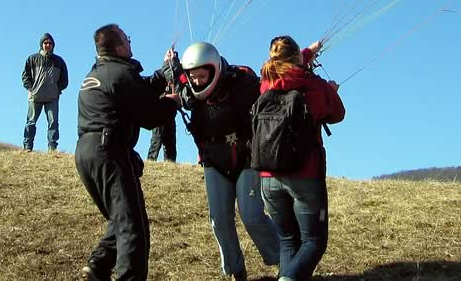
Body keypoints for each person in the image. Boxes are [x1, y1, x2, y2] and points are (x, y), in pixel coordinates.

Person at [166, 41, 279, 281]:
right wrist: (172, 64)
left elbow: (268, 93)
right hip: (214, 160)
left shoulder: (242, 81)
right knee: (219, 219)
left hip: (246, 157)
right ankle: (236, 270)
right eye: (193, 77)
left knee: (252, 215)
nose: (198, 81)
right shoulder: (189, 89)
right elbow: (178, 81)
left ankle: (285, 259)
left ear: (215, 69)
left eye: (202, 76)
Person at [75, 24, 181, 281]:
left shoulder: (99, 73)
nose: (130, 42)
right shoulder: (121, 74)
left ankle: (99, 265)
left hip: (86, 154)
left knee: (121, 217)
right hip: (109, 152)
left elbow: (137, 89)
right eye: (126, 38)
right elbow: (150, 115)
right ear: (119, 47)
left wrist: (164, 72)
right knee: (132, 227)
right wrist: (172, 103)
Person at [257, 36, 345, 281]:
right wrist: (331, 92)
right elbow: (337, 114)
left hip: (268, 175)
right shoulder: (314, 85)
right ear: (296, 57)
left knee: (288, 240)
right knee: (314, 241)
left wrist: (309, 51)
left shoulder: (266, 82)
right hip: (305, 174)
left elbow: (289, 67)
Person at [21, 32, 69, 151]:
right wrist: (31, 89)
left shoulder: (59, 61)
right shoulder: (32, 59)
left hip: (52, 98)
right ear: (41, 44)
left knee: (53, 123)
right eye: (45, 43)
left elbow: (64, 80)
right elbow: (25, 76)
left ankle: (52, 148)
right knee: (31, 122)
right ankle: (27, 146)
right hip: (35, 97)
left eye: (50, 43)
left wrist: (57, 90)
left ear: (53, 45)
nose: (48, 45)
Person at [146, 98, 177, 163]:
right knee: (156, 142)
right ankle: (151, 162)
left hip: (170, 115)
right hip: (159, 114)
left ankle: (170, 164)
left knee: (170, 144)